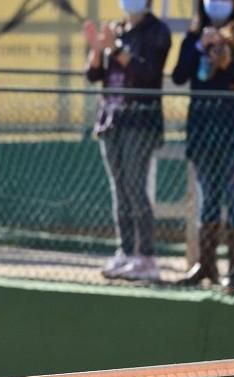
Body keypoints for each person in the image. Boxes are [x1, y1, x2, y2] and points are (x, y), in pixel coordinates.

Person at [172, 0, 234, 294]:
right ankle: (205, 266)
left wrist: (228, 63)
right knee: (207, 198)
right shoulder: (195, 36)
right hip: (203, 127)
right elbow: (179, 76)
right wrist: (198, 48)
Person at [84, 0, 172, 282]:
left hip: (140, 121)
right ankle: (125, 252)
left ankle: (146, 257)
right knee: (119, 190)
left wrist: (114, 48)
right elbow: (94, 75)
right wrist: (98, 49)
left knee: (136, 188)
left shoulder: (158, 32)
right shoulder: (117, 29)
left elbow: (146, 74)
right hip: (111, 119)